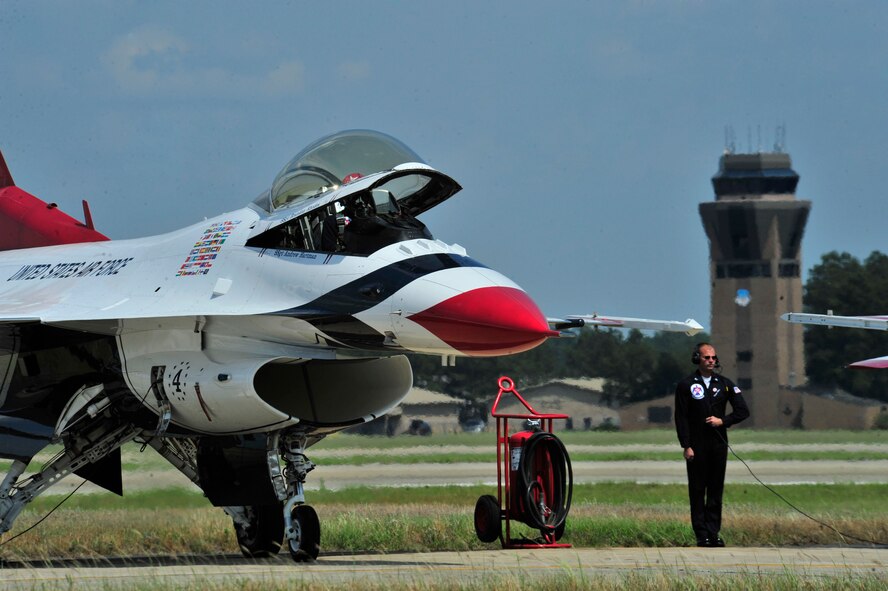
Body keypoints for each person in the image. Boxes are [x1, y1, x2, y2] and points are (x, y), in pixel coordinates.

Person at [674, 342, 749, 548]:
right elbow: (681, 418)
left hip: (718, 443)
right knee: (697, 490)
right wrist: (686, 445)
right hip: (696, 445)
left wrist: (723, 421)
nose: (711, 361)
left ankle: (714, 532)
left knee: (715, 490)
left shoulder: (724, 383)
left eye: (713, 358)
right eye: (707, 357)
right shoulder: (686, 385)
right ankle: (701, 534)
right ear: (697, 358)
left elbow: (743, 411)